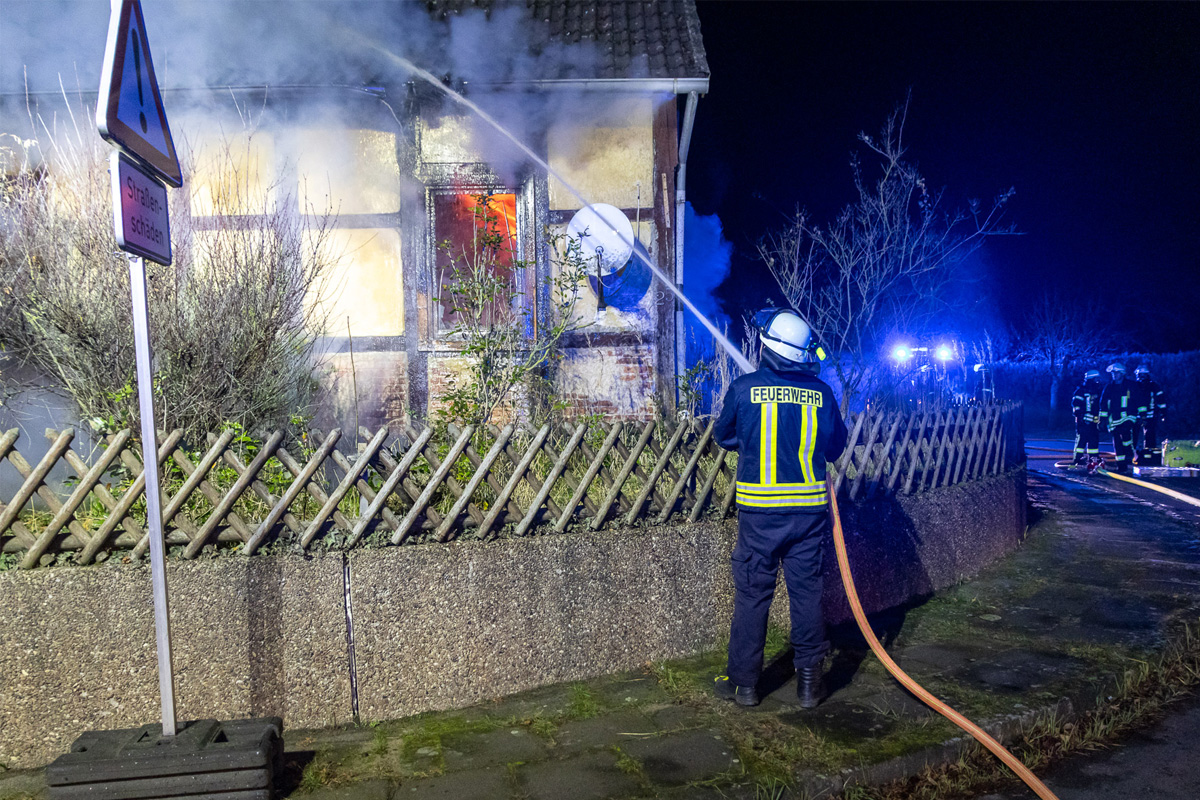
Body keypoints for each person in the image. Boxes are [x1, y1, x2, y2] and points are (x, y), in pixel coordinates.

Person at [712, 308, 848, 709]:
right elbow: (836, 448)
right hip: (808, 515)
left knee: (753, 595)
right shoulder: (822, 394)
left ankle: (745, 685)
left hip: (760, 516)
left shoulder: (743, 388)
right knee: (806, 594)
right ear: (803, 354)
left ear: (767, 346)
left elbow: (724, 436)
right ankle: (809, 686)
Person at [1098, 362, 1142, 474]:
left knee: (1126, 436)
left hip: (1129, 417)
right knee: (1117, 442)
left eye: (1116, 373)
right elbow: (1103, 404)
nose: (1114, 375)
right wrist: (1102, 420)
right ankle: (1121, 465)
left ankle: (1129, 456)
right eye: (1113, 373)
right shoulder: (1109, 387)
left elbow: (1139, 401)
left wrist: (1143, 415)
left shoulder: (1132, 385)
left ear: (1122, 373)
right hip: (1114, 419)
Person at [1134, 365, 1166, 466]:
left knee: (1149, 436)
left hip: (1147, 415)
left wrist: (1163, 413)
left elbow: (1161, 400)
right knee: (1136, 436)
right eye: (1141, 375)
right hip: (1140, 416)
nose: (1142, 377)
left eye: (1143, 375)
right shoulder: (1135, 386)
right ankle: (1138, 455)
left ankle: (1147, 456)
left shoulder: (1153, 386)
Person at [1070, 369, 1103, 465]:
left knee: (1094, 440)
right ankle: (1077, 459)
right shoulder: (1080, 391)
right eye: (1096, 379)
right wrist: (1080, 417)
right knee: (1081, 440)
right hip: (1083, 422)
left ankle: (1093, 459)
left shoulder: (1099, 391)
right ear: (1091, 379)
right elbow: (1076, 404)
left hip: (1094, 422)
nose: (1098, 381)